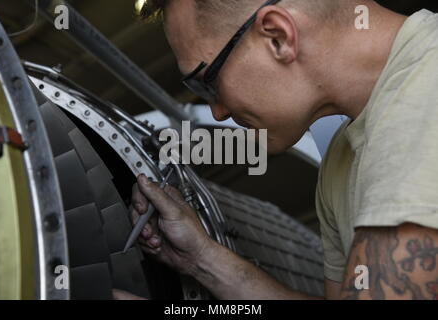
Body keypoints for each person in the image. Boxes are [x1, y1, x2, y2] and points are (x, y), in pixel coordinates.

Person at [129, 0, 438, 299]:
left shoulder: (425, 99)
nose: (217, 112)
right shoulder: (340, 162)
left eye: (208, 84)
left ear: (278, 36)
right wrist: (201, 259)